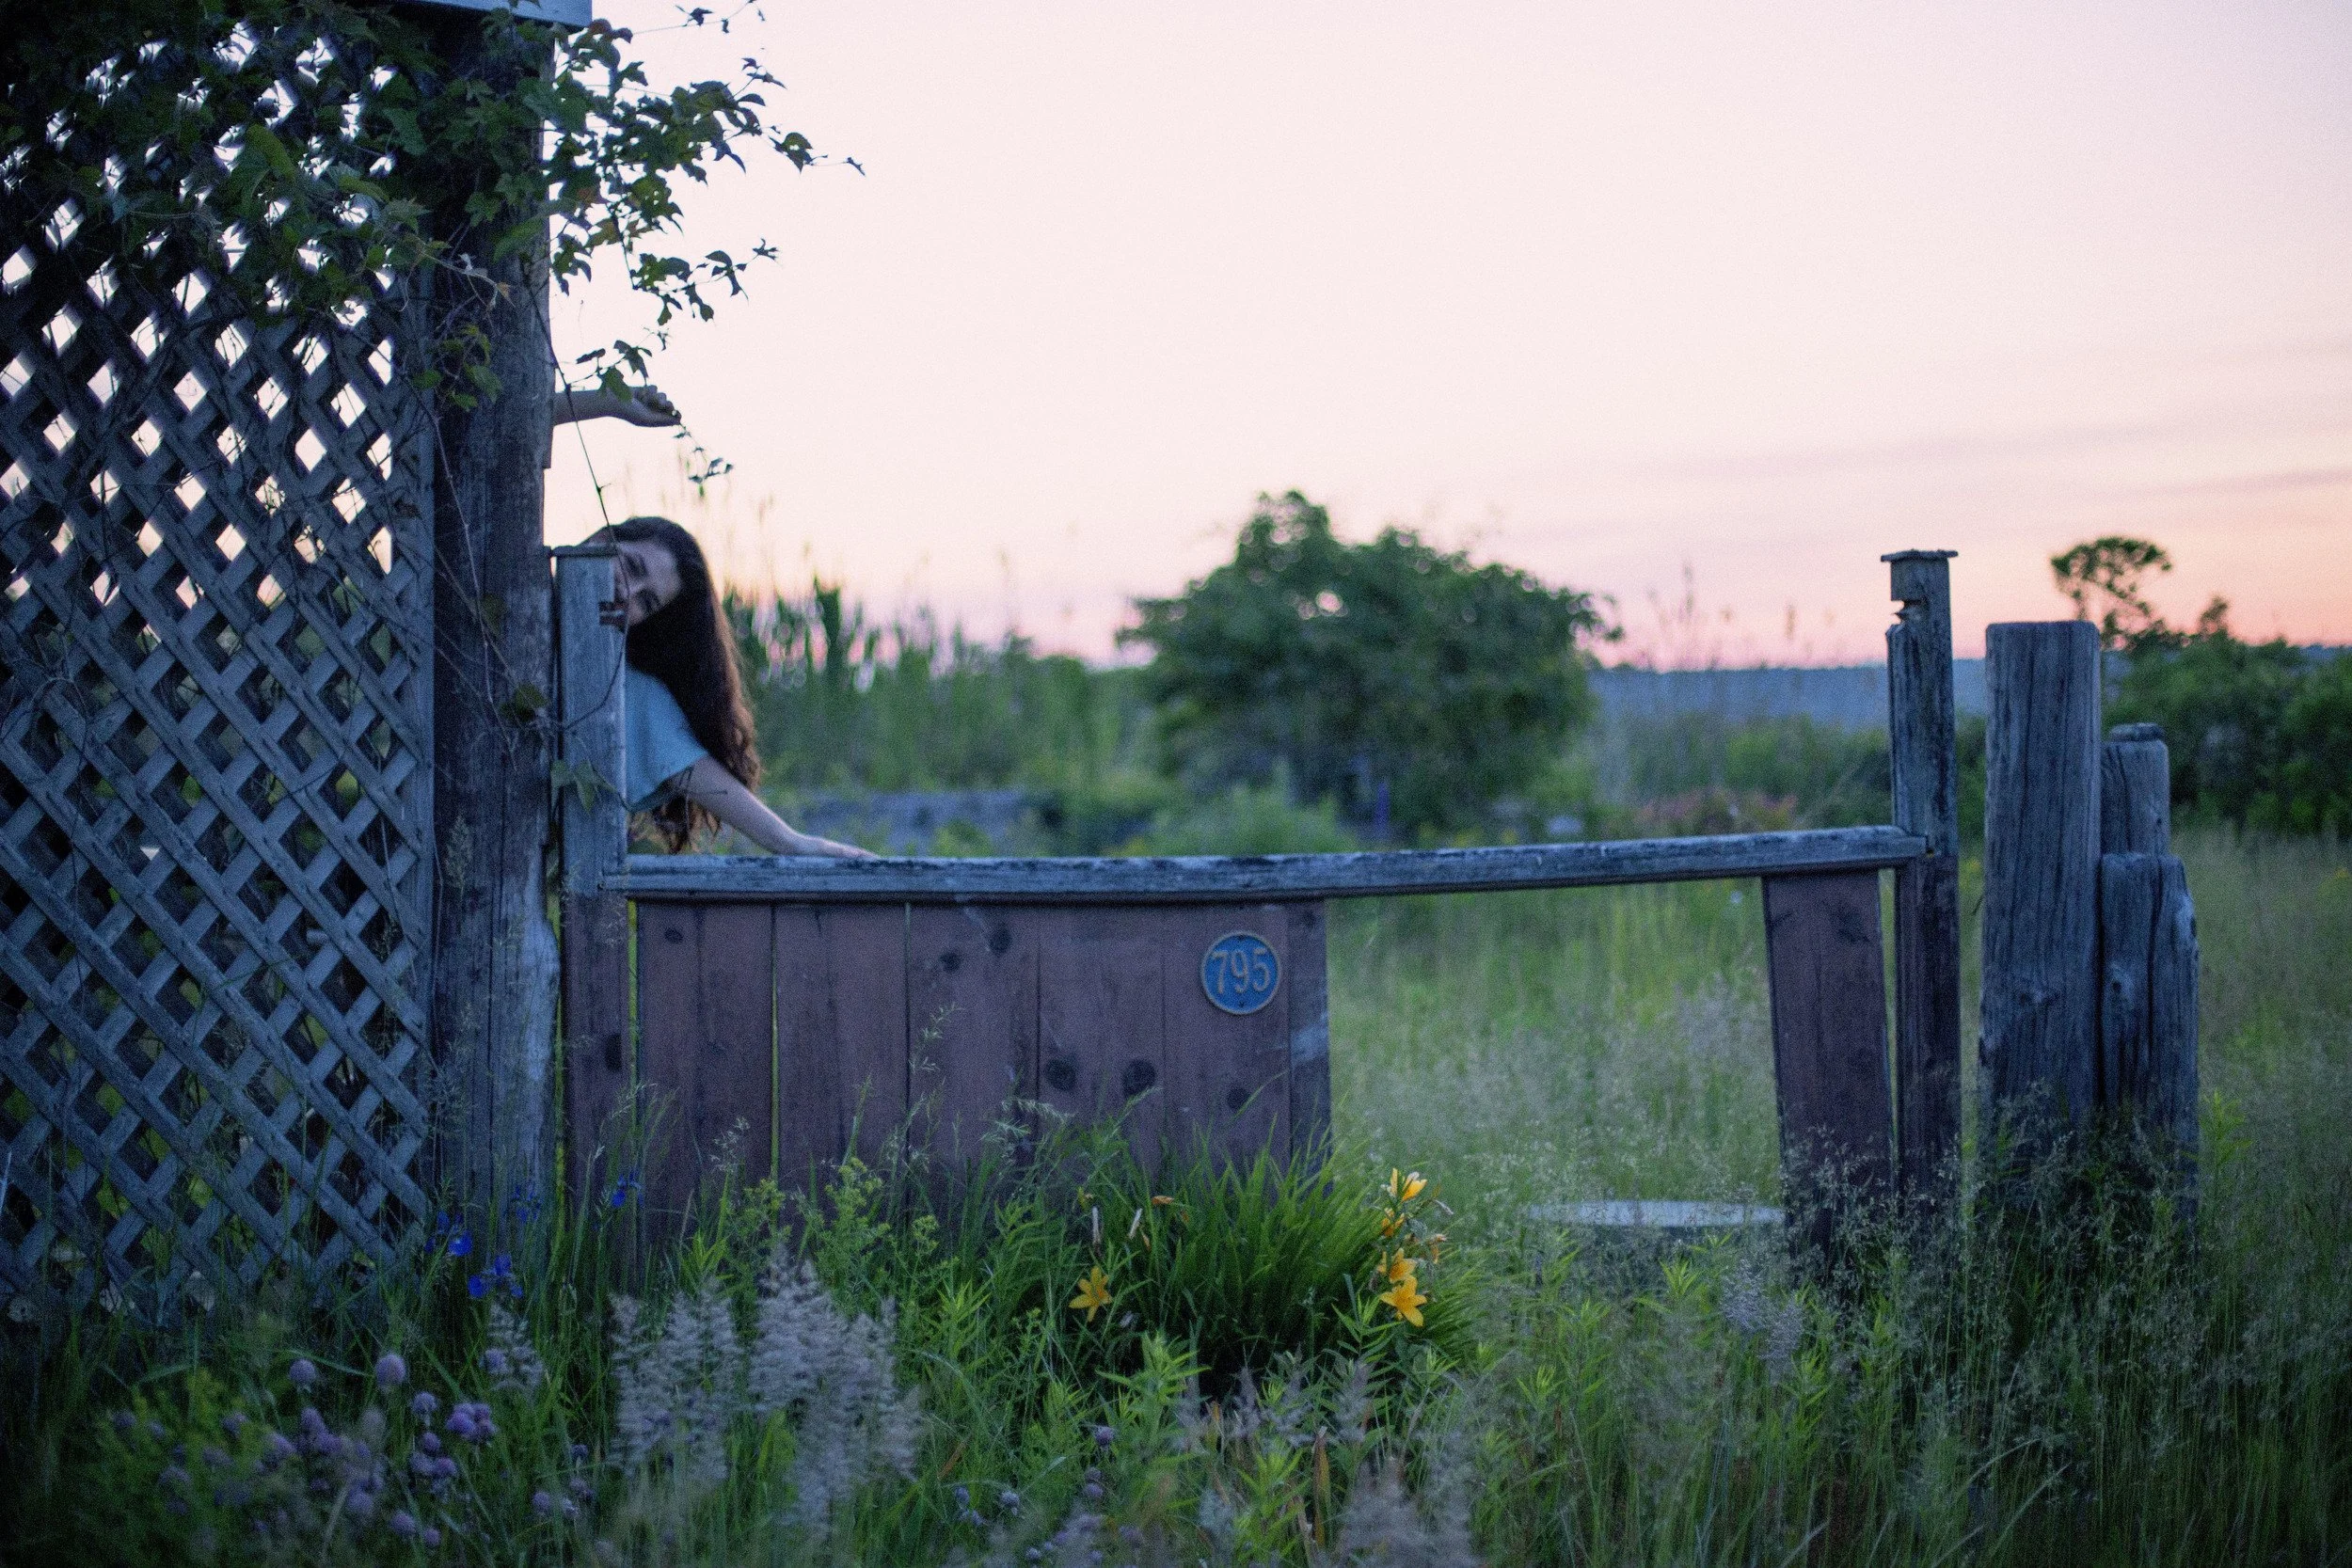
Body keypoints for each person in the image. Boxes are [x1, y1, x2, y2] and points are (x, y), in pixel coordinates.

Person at [587, 513, 873, 858]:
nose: (627, 592)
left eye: (646, 602)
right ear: (603, 537)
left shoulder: (625, 687)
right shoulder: (515, 582)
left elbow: (685, 766)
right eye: (632, 566)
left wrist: (793, 843)